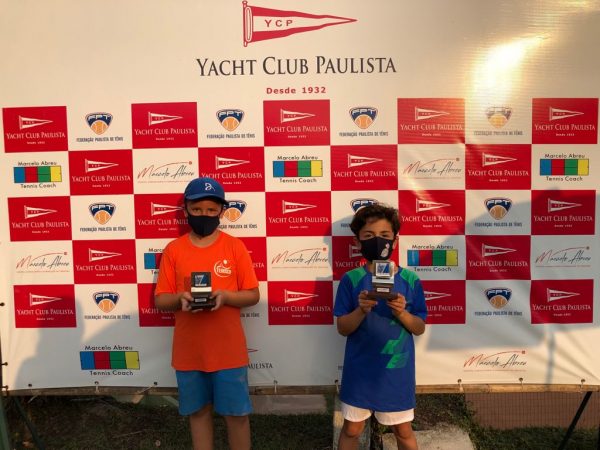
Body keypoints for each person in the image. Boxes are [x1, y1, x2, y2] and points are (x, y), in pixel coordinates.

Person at [155, 176, 260, 450]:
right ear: (186, 210)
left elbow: (253, 294)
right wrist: (180, 298)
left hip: (229, 352)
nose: (205, 214)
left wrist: (225, 297)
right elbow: (161, 299)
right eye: (197, 209)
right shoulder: (174, 249)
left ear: (222, 212)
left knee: (236, 415)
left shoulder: (234, 246)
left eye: (212, 210)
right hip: (189, 352)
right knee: (198, 413)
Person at [334, 203, 427, 450]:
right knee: (351, 429)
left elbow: (419, 327)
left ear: (395, 240)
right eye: (369, 235)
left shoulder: (410, 279)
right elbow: (342, 327)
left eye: (385, 235)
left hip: (396, 372)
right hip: (359, 371)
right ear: (357, 242)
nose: (377, 241)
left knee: (403, 431)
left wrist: (402, 312)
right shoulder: (351, 279)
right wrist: (361, 310)